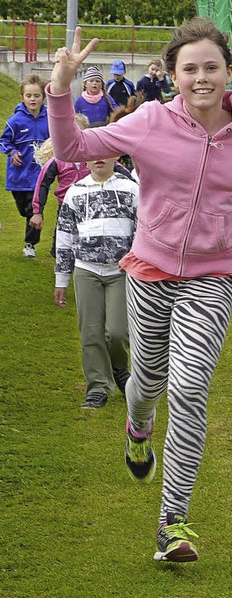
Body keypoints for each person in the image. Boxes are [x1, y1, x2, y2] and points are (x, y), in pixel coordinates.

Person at [47, 17, 232, 564]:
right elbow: (73, 147)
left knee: (190, 386)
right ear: (173, 75)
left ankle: (171, 521)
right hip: (149, 273)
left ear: (228, 71)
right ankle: (138, 425)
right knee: (149, 381)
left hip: (211, 278)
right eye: (190, 69)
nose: (202, 78)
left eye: (211, 67)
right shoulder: (150, 121)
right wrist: (61, 87)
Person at [54, 155, 139, 409]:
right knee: (90, 332)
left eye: (105, 153)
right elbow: (65, 235)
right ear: (85, 161)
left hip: (121, 271)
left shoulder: (131, 189)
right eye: (93, 155)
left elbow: (143, 230)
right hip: (86, 269)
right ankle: (98, 387)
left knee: (116, 332)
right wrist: (62, 278)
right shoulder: (75, 191)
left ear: (116, 157)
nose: (99, 159)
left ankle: (119, 368)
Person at [31, 114, 132, 257]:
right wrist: (37, 211)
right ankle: (65, 270)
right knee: (61, 248)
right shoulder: (59, 160)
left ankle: (89, 268)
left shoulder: (96, 158)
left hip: (93, 207)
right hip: (66, 208)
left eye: (78, 133)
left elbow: (124, 174)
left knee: (88, 243)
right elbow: (43, 183)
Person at [0, 74, 49, 257]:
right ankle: (27, 217)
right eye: (29, 95)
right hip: (19, 175)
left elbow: (56, 141)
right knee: (24, 210)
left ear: (43, 97)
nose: (32, 99)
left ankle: (30, 244)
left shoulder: (49, 119)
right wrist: (12, 153)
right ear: (22, 97)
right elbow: (3, 141)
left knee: (35, 210)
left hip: (40, 175)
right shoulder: (15, 121)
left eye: (36, 95)